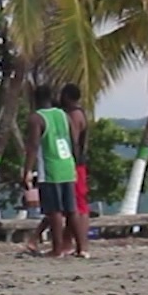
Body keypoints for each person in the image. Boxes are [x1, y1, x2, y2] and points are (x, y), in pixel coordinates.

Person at [24, 85, 80, 259]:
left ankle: (57, 250)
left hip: (50, 168)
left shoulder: (37, 118)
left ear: (35, 99)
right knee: (71, 210)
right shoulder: (64, 115)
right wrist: (75, 164)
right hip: (67, 165)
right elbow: (74, 141)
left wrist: (27, 170)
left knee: (54, 211)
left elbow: (33, 147)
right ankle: (81, 248)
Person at [59, 83, 92, 257]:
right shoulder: (81, 114)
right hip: (80, 164)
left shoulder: (73, 116)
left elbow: (72, 142)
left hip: (74, 164)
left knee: (76, 205)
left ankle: (78, 244)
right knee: (79, 205)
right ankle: (71, 242)